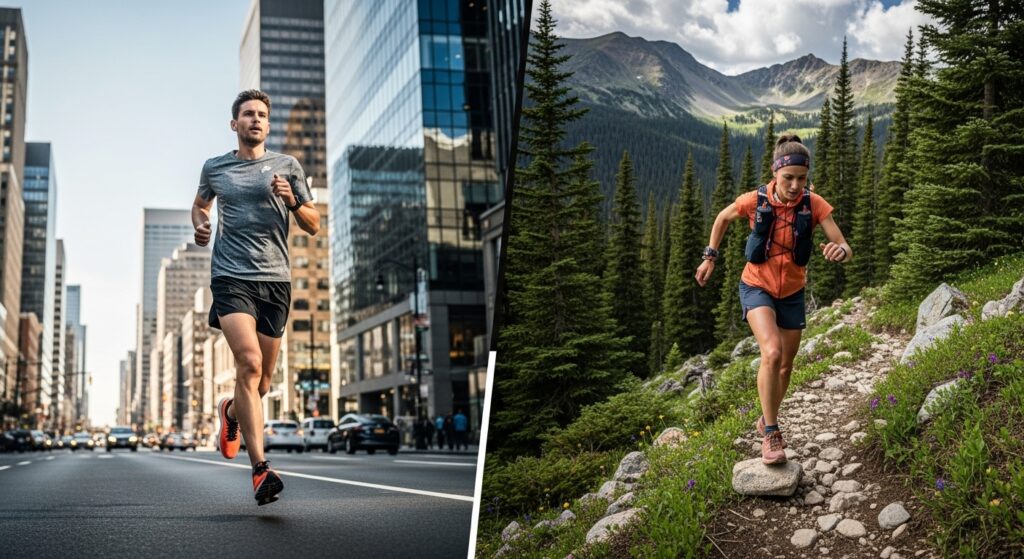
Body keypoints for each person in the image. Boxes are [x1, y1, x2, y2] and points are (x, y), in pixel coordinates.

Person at [193, 89, 320, 505]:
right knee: (246, 362)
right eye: (248, 114)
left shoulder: (288, 166)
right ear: (235, 124)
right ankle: (260, 470)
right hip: (231, 277)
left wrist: (292, 200)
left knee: (261, 383)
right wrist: (201, 225)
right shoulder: (216, 167)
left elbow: (313, 224)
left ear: (268, 124)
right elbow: (200, 206)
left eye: (262, 115)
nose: (255, 120)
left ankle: (230, 412)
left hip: (276, 281)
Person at [695, 134, 851, 465]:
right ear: (774, 172)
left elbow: (844, 244)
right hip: (756, 286)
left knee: (785, 366)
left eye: (801, 178)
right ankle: (772, 433)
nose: (795, 185)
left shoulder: (814, 204)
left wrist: (840, 251)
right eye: (788, 178)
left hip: (792, 292)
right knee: (772, 351)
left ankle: (766, 417)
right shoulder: (756, 200)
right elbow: (722, 218)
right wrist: (710, 256)